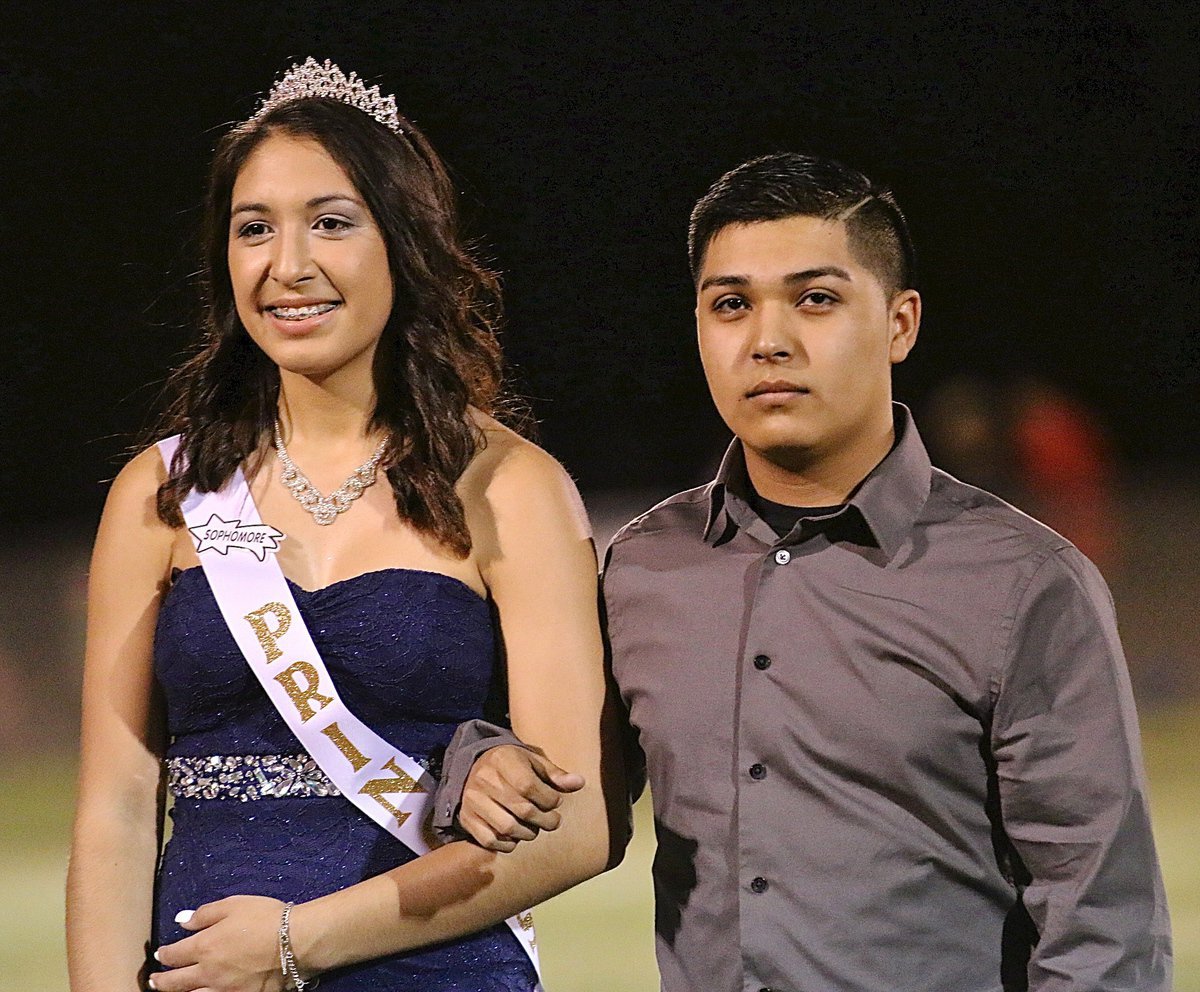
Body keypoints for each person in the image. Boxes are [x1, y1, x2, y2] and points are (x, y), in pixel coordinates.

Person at [436, 153, 1173, 991]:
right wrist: (481, 761)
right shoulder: (644, 566)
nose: (768, 339)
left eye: (815, 299)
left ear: (900, 323)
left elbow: (1103, 930)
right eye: (731, 305)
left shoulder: (1025, 585)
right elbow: (548, 765)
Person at [67, 59, 626, 992]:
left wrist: (295, 942)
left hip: (438, 969)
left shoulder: (511, 488)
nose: (288, 266)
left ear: (403, 244)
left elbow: (577, 827)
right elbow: (115, 808)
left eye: (331, 222)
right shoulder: (159, 495)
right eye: (255, 230)